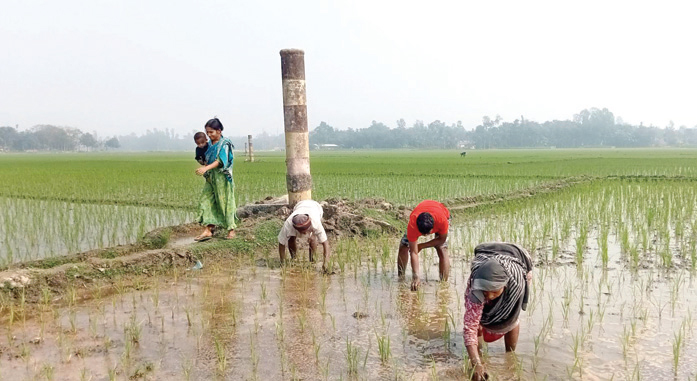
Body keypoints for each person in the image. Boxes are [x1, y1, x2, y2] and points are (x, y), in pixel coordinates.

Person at [462, 242, 533, 381]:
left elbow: (512, 316)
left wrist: (509, 363)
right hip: (486, 261)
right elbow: (469, 326)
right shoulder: (475, 286)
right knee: (478, 320)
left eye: (494, 291)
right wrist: (476, 362)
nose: (489, 296)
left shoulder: (517, 283)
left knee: (511, 318)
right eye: (485, 291)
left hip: (518, 260)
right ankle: (480, 353)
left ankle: (510, 355)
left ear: (505, 286)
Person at [194, 118, 237, 241]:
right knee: (205, 201)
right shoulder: (208, 145)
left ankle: (231, 230)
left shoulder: (225, 144)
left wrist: (206, 168)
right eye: (207, 132)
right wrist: (203, 165)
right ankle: (208, 230)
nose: (209, 135)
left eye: (211, 132)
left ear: (219, 131)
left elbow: (220, 161)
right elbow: (203, 158)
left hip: (223, 179)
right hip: (211, 179)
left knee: (225, 203)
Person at [397, 200, 451, 290]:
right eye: (422, 234)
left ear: (433, 228)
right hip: (422, 213)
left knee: (442, 248)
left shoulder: (441, 221)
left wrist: (422, 245)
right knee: (404, 245)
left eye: (427, 234)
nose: (425, 236)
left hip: (441, 213)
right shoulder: (413, 225)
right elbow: (413, 252)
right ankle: (400, 277)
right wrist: (416, 276)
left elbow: (441, 239)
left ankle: (443, 284)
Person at [278, 199, 331, 272]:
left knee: (312, 239)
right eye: (302, 232)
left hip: (316, 207)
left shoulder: (315, 223)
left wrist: (326, 263)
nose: (304, 234)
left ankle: (312, 260)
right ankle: (294, 258)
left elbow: (325, 243)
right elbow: (281, 243)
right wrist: (282, 263)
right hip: (299, 206)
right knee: (291, 238)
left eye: (305, 231)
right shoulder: (288, 224)